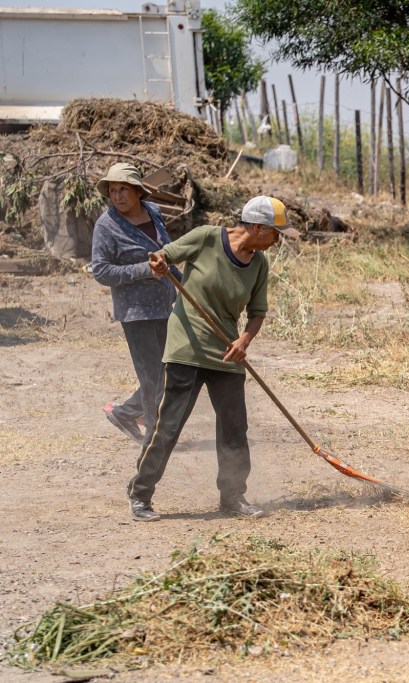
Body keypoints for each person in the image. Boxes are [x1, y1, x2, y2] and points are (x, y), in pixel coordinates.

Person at [126, 196, 299, 522]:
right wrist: (160, 264)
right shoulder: (207, 238)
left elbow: (257, 313)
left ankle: (233, 497)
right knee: (169, 425)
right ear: (258, 227)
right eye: (276, 233)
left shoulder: (259, 265)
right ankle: (140, 493)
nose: (278, 240)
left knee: (235, 429)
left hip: (226, 353)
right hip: (186, 349)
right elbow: (163, 255)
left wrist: (243, 340)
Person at [91, 163, 179, 444]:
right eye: (113, 190)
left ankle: (125, 413)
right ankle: (156, 440)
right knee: (153, 376)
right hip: (136, 312)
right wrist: (144, 270)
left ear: (138, 191)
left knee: (169, 369)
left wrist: (183, 283)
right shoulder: (106, 225)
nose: (117, 196)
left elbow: (165, 252)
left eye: (123, 189)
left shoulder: (154, 212)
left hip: (165, 304)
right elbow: (101, 271)